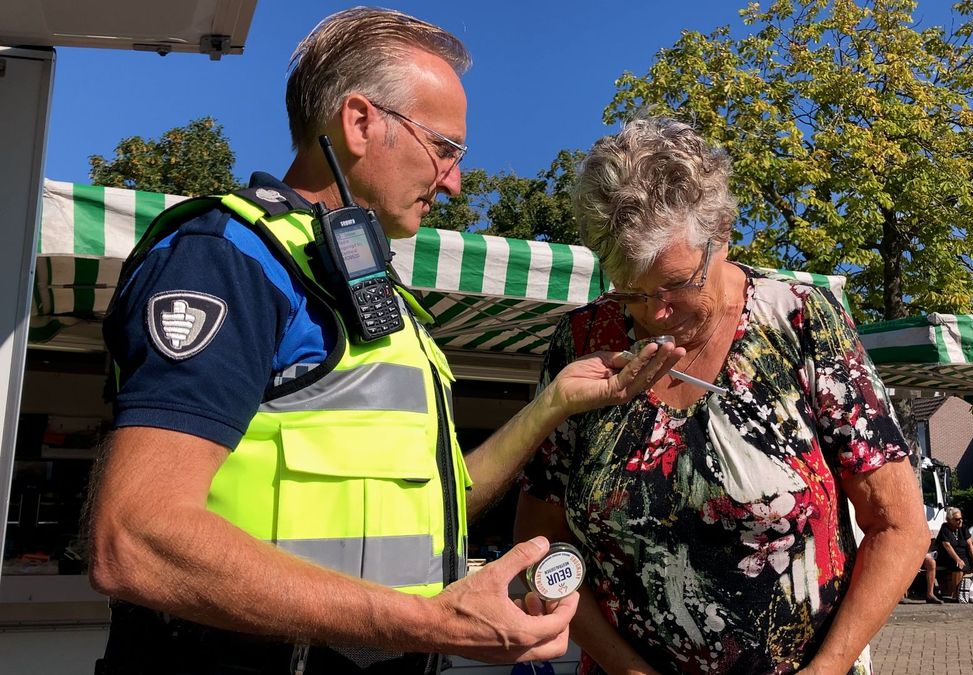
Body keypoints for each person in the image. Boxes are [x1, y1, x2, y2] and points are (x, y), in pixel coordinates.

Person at [86, 9, 682, 674]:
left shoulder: (377, 295)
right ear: (360, 122)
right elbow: (134, 539)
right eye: (445, 148)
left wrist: (554, 405)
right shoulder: (227, 259)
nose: (454, 180)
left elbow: (437, 503)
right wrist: (438, 624)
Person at [514, 118, 928, 674]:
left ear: (723, 235)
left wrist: (826, 669)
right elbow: (540, 538)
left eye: (676, 283)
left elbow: (898, 526)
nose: (655, 313)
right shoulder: (584, 341)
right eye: (631, 291)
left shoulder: (799, 322)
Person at [934, 507, 973, 601]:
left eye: (961, 518)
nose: (960, 521)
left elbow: (970, 544)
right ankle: (956, 594)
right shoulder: (945, 528)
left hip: (963, 556)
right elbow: (947, 546)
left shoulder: (963, 527)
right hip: (948, 557)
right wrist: (958, 559)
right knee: (958, 566)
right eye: (957, 519)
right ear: (949, 520)